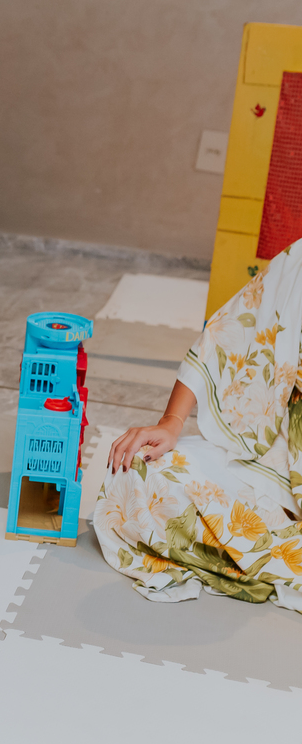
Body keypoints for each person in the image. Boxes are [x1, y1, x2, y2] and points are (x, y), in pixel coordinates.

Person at [99, 245, 302, 612]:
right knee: (137, 477)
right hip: (277, 458)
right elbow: (227, 332)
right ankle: (253, 551)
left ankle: (248, 550)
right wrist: (171, 422)